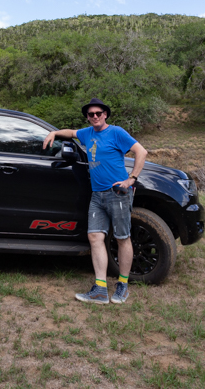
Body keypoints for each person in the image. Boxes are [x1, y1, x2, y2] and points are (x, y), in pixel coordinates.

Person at [43, 98, 148, 304]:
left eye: (98, 113)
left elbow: (141, 152)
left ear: (105, 114)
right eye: (91, 114)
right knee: (94, 238)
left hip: (117, 193)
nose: (95, 117)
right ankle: (100, 289)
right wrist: (54, 133)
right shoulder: (87, 133)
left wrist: (131, 179)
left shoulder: (116, 132)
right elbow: (72, 133)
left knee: (122, 237)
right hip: (97, 195)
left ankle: (122, 286)